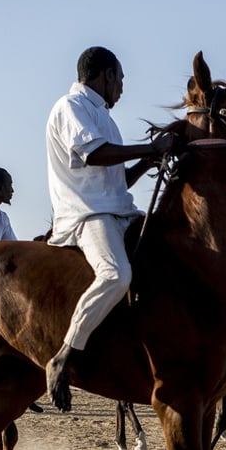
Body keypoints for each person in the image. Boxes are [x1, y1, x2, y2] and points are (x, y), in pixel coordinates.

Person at [43, 46, 179, 411]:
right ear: (105, 75)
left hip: (117, 210)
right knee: (116, 275)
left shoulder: (103, 117)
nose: (121, 88)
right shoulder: (70, 108)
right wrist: (147, 147)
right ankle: (65, 354)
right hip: (87, 216)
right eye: (120, 79)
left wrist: (150, 158)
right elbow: (95, 155)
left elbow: (118, 182)